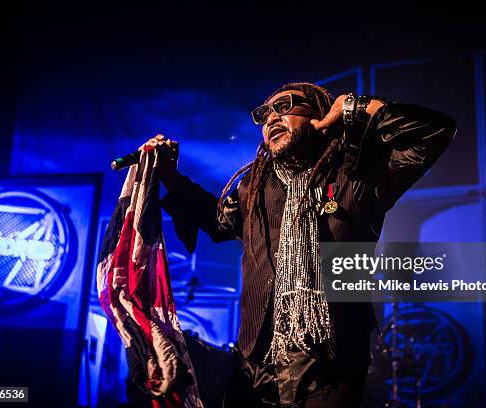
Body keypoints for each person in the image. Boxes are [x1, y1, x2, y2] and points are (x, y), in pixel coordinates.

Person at [140, 82, 456, 407]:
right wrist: (169, 176)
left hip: (330, 368)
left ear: (321, 114)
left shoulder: (355, 177)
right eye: (264, 115)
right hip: (254, 370)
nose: (271, 119)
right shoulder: (256, 188)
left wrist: (355, 108)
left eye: (285, 106)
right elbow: (217, 220)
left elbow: (434, 132)